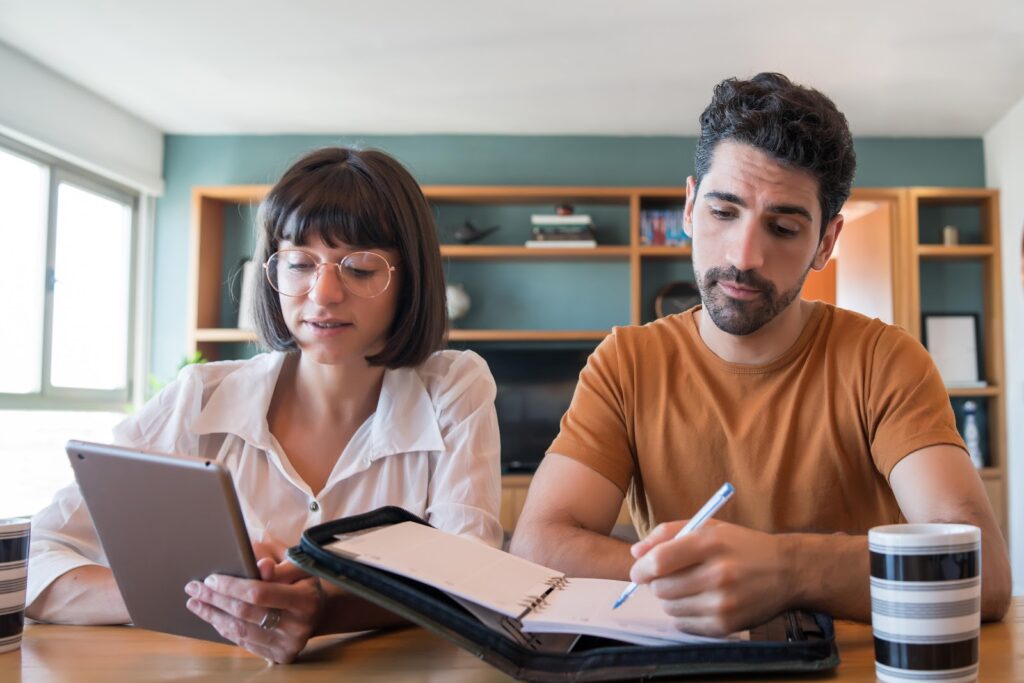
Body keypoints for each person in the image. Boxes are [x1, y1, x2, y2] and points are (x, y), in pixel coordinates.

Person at [509, 73, 1012, 635]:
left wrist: (785, 570)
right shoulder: (625, 363)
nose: (744, 256)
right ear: (689, 207)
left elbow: (984, 572)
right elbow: (538, 544)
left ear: (825, 242)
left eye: (783, 227)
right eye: (724, 213)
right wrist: (706, 577)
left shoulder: (883, 360)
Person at [27, 147, 503, 663]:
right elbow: (31, 561)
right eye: (299, 264)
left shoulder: (455, 385)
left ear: (410, 278)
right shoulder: (199, 398)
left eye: (361, 269)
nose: (323, 294)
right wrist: (212, 598)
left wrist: (323, 607)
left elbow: (470, 577)